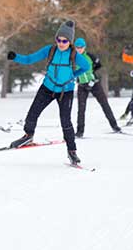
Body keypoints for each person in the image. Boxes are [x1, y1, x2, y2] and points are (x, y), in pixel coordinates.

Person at [7, 21, 90, 165]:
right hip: (48, 87)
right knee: (33, 112)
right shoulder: (50, 50)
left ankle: (72, 151)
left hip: (66, 91)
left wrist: (73, 75)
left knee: (65, 120)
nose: (61, 43)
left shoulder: (74, 55)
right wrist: (15, 57)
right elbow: (29, 59)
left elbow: (86, 66)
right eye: (59, 39)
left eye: (64, 41)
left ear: (70, 42)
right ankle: (28, 135)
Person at [73, 37, 121, 137]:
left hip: (94, 84)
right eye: (77, 47)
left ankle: (114, 125)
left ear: (84, 47)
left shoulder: (90, 56)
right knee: (81, 109)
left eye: (81, 47)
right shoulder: (73, 58)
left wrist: (92, 75)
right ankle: (80, 131)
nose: (79, 49)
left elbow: (99, 65)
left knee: (104, 104)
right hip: (82, 86)